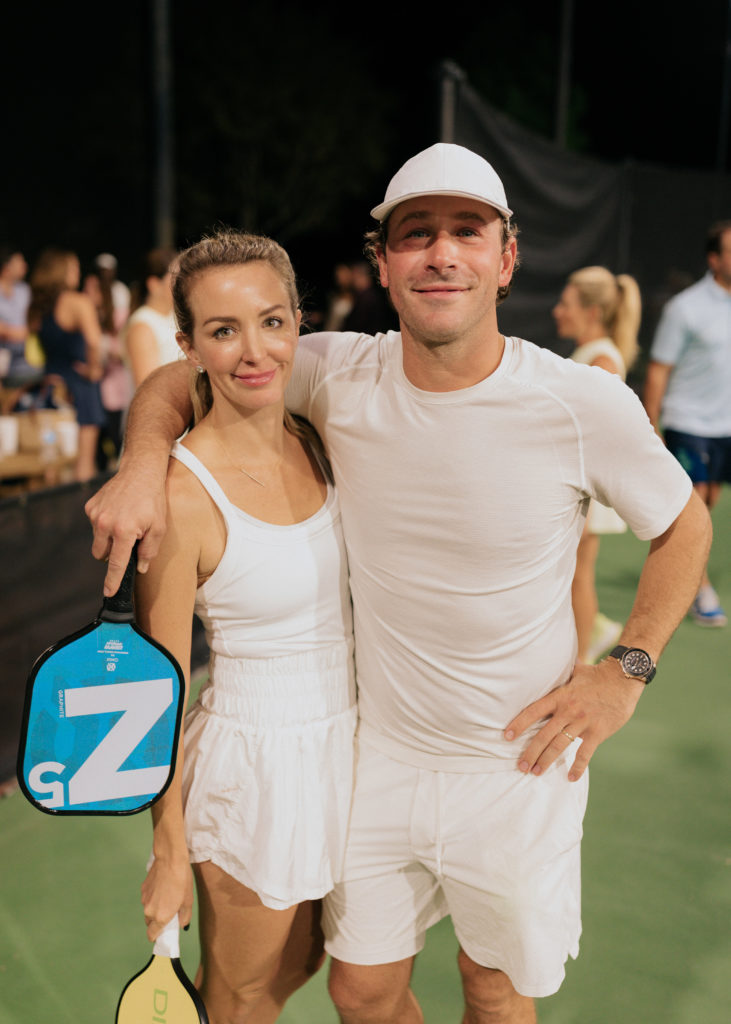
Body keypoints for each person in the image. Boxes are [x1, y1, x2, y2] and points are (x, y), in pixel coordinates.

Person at [86, 144, 710, 1024]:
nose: (441, 254)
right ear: (383, 263)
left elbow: (684, 525)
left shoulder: (580, 402)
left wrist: (627, 670)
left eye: (467, 232)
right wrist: (142, 464)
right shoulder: (336, 370)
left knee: (493, 992)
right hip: (375, 760)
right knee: (359, 991)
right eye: (416, 234)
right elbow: (176, 377)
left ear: (506, 258)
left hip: (517, 770)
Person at [135, 230, 356, 1023]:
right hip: (254, 768)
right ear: (188, 346)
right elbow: (157, 688)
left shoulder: (319, 436)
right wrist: (168, 848)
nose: (254, 351)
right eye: (223, 331)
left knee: (303, 965)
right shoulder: (180, 493)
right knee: (241, 996)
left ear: (298, 321)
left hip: (350, 744)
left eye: (270, 322)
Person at [552, 266, 642, 662]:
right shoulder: (592, 354)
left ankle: (582, 661)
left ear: (591, 312)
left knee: (578, 576)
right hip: (579, 484)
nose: (557, 311)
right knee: (573, 574)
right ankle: (596, 629)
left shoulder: (602, 359)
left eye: (566, 304)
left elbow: (599, 433)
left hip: (586, 487)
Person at [644, 221, 731, 628]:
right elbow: (658, 369)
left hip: (724, 427)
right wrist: (650, 426)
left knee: (709, 499)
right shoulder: (685, 308)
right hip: (687, 420)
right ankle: (700, 588)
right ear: (714, 259)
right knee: (693, 505)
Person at [29, 249, 104, 481]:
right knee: (84, 463)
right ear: (60, 272)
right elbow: (94, 341)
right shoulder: (78, 302)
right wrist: (93, 370)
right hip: (79, 386)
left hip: (50, 385)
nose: (77, 273)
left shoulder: (37, 307)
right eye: (73, 268)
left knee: (51, 461)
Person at [124, 247, 179, 388]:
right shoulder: (142, 325)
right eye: (175, 278)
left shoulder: (174, 317)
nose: (181, 285)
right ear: (154, 284)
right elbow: (147, 386)